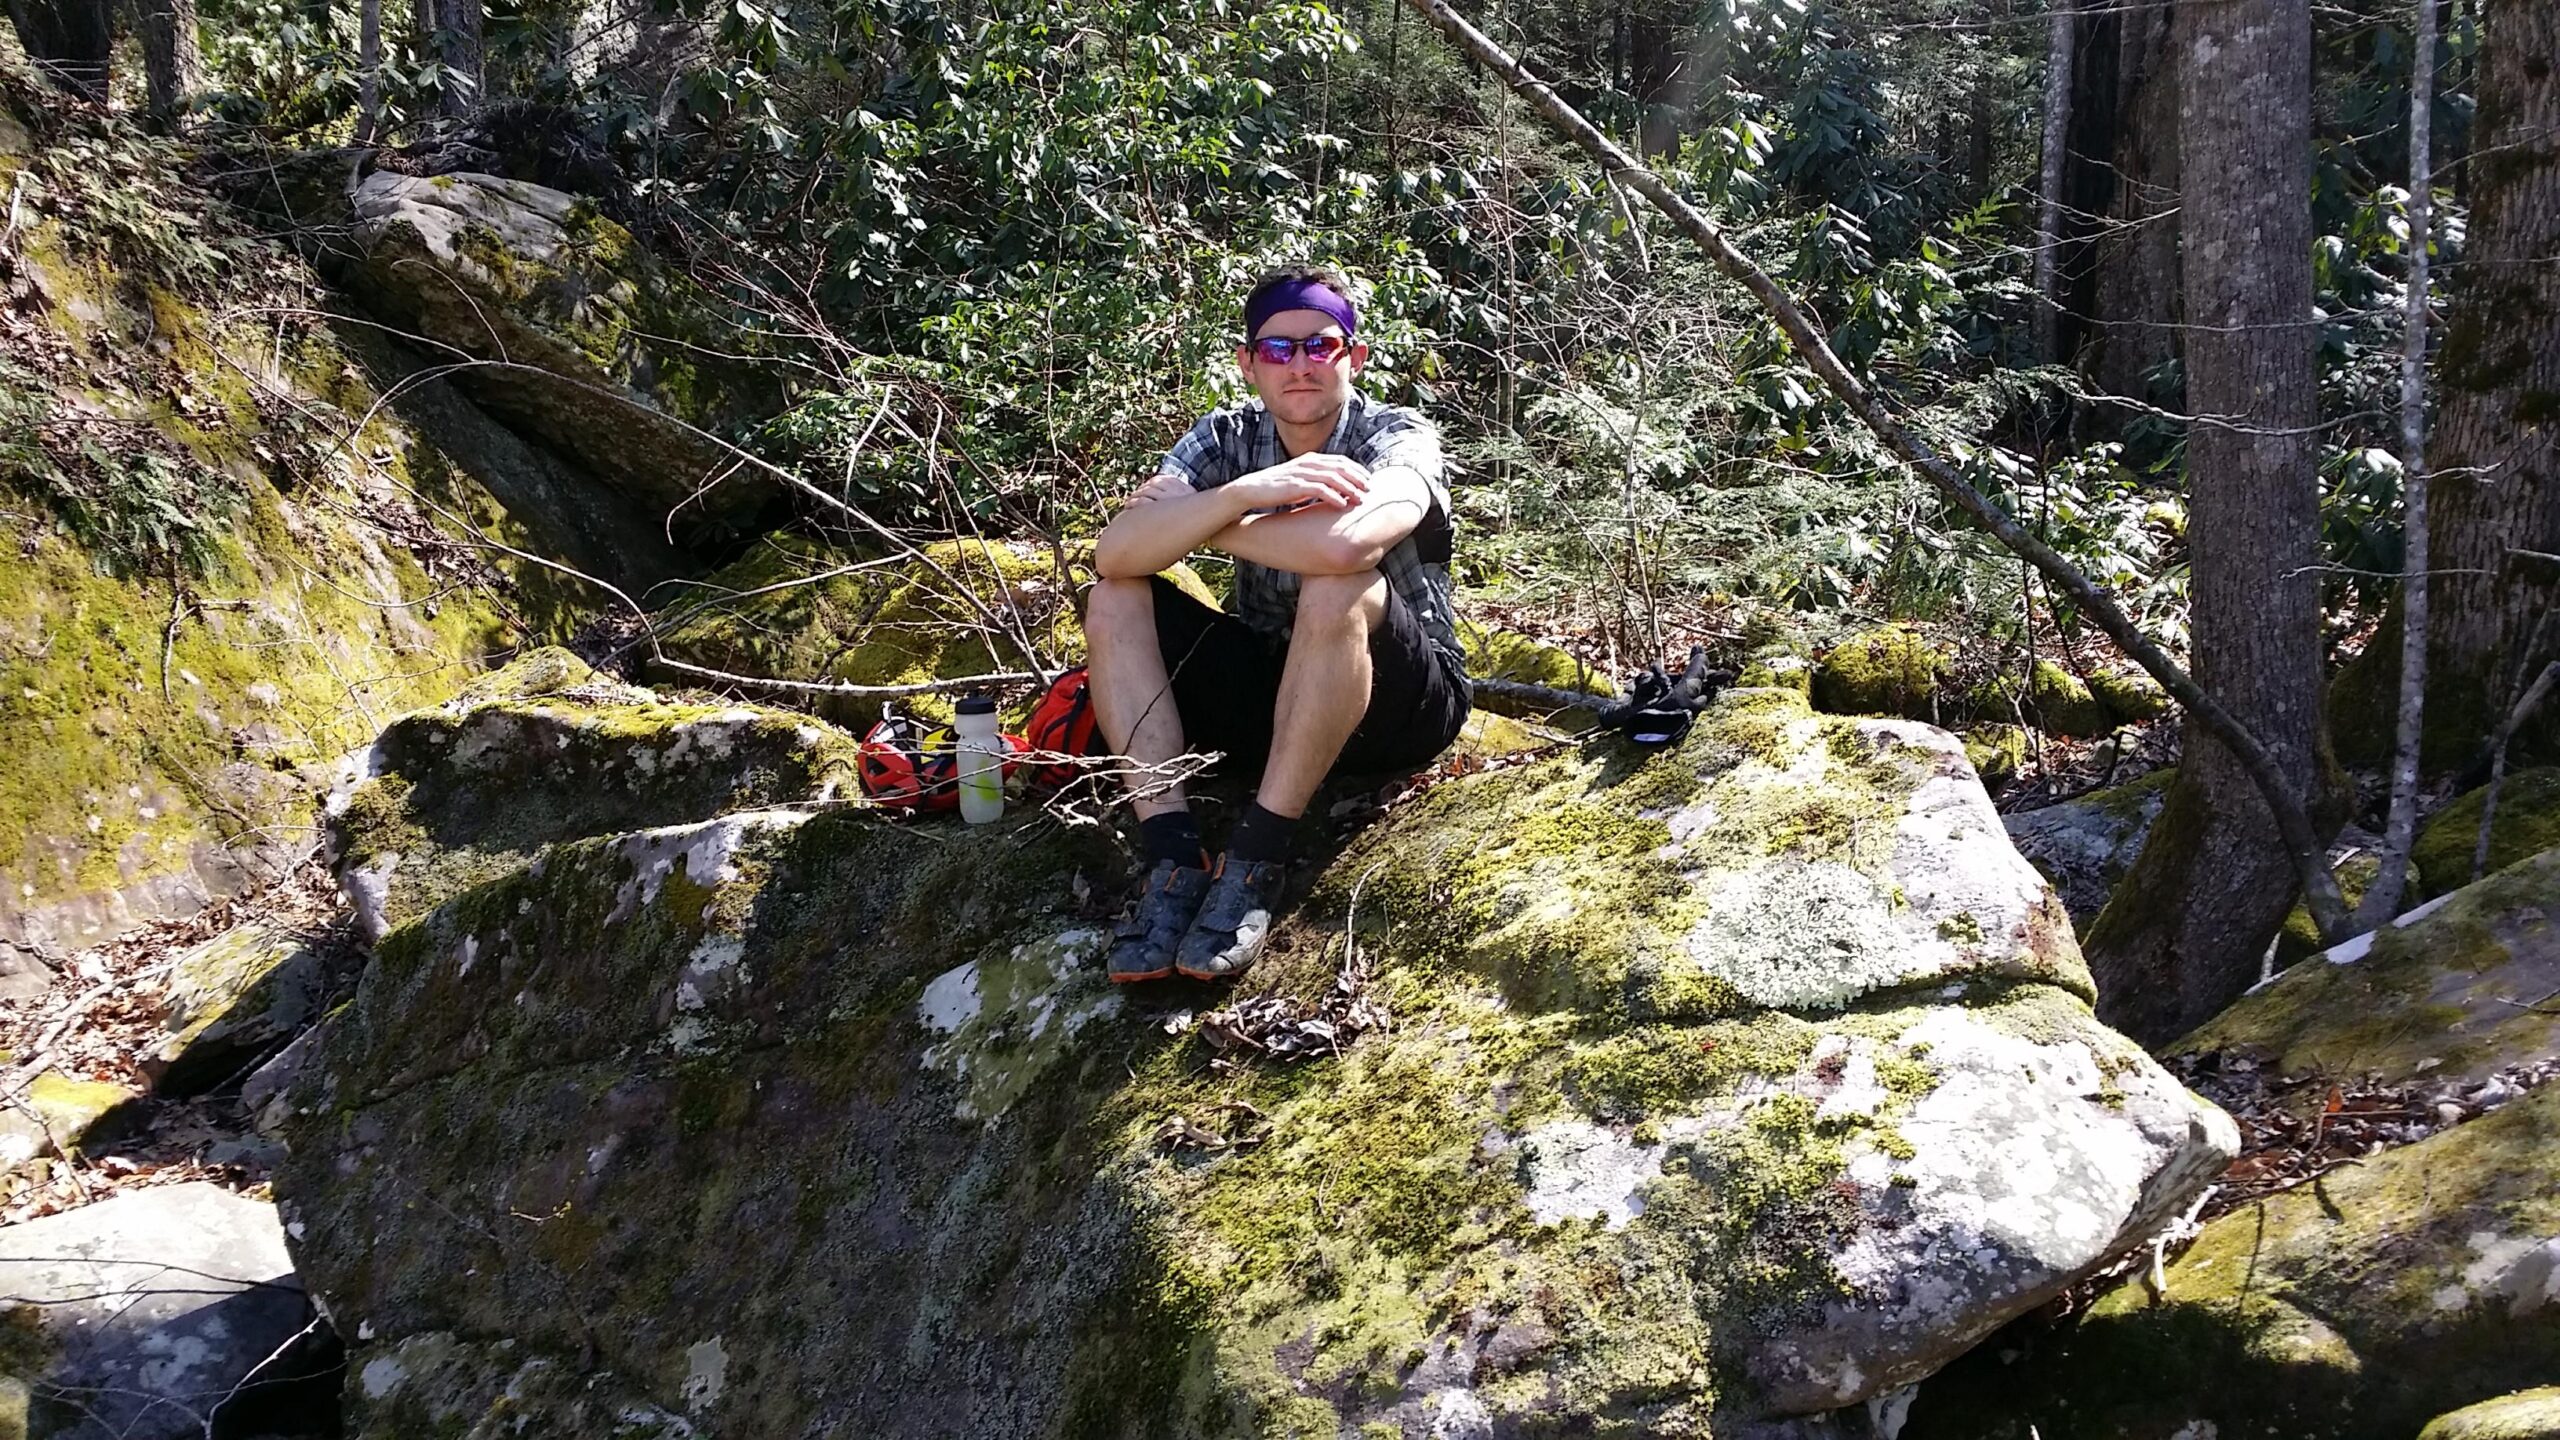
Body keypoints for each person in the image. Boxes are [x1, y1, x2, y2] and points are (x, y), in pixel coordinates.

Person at [1087, 263, 1471, 985]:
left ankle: (1258, 854)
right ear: (1248, 363)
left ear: (1354, 356)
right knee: (1114, 598)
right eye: (1277, 348)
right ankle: (1172, 854)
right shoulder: (1224, 438)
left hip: (1404, 701)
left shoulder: (1397, 435)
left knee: (1335, 587)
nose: (1299, 364)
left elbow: (1346, 547)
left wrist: (1208, 519)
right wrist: (1246, 492)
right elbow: (1116, 552)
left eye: (1320, 345)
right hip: (1273, 688)